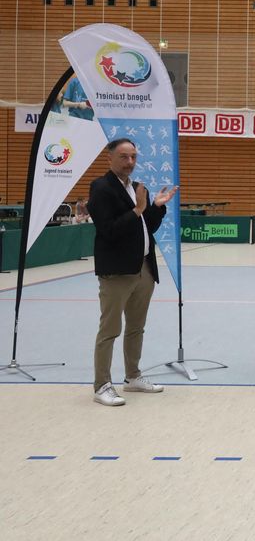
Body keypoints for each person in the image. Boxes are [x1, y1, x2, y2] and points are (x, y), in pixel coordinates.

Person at [87, 138, 177, 406]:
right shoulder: (101, 188)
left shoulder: (139, 188)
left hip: (144, 268)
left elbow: (146, 225)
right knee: (110, 329)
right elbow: (109, 230)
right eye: (124, 157)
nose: (130, 162)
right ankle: (101, 384)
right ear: (110, 158)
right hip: (117, 271)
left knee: (137, 327)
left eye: (134, 157)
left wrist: (156, 207)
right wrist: (138, 209)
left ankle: (132, 377)